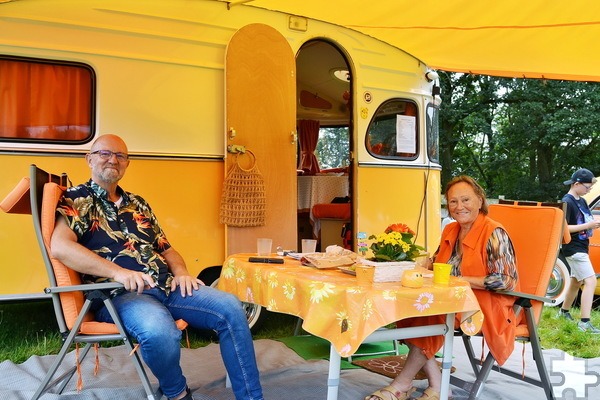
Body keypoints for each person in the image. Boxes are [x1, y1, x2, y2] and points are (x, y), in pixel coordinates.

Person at [50, 134, 264, 400]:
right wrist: (118, 272)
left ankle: (251, 397)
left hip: (167, 286)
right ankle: (177, 392)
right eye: (105, 153)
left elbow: (167, 249)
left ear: (127, 164)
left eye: (120, 156)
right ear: (89, 159)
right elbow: (60, 247)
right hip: (121, 295)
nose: (113, 160)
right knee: (159, 332)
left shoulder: (138, 203)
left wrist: (182, 273)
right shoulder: (77, 199)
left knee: (231, 307)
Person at [366, 175, 519, 400]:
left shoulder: (494, 232)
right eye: (453, 202)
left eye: (466, 200)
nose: (459, 207)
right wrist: (410, 264)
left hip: (483, 305)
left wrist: (462, 280)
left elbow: (506, 280)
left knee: (430, 315)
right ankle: (438, 386)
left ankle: (401, 384)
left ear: (479, 199)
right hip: (450, 298)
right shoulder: (451, 230)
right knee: (413, 307)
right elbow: (438, 263)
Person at [556, 168, 600, 334]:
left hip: (582, 246)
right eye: (587, 187)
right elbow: (564, 228)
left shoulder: (581, 200)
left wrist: (591, 225)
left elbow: (585, 220)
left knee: (576, 281)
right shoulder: (567, 201)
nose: (589, 190)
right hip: (573, 247)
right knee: (591, 281)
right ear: (577, 184)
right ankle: (585, 323)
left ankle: (564, 312)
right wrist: (587, 226)